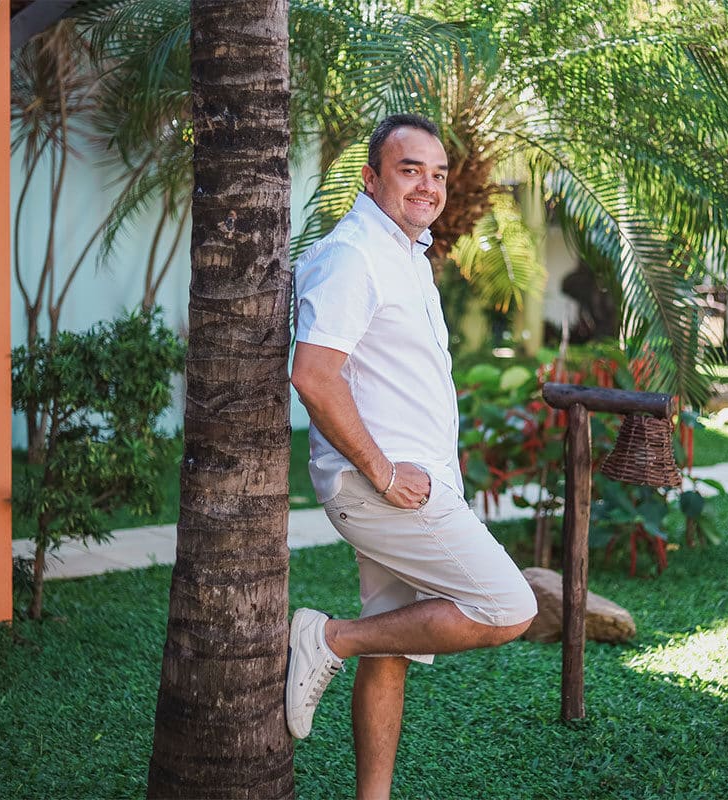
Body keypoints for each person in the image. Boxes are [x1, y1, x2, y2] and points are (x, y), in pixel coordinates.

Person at [288, 113, 537, 798]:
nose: (428, 185)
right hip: (384, 488)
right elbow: (313, 375)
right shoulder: (353, 256)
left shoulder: (405, 254)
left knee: (390, 645)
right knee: (507, 607)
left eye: (437, 173)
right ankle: (327, 638)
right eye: (409, 170)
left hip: (408, 485)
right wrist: (381, 471)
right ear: (370, 178)